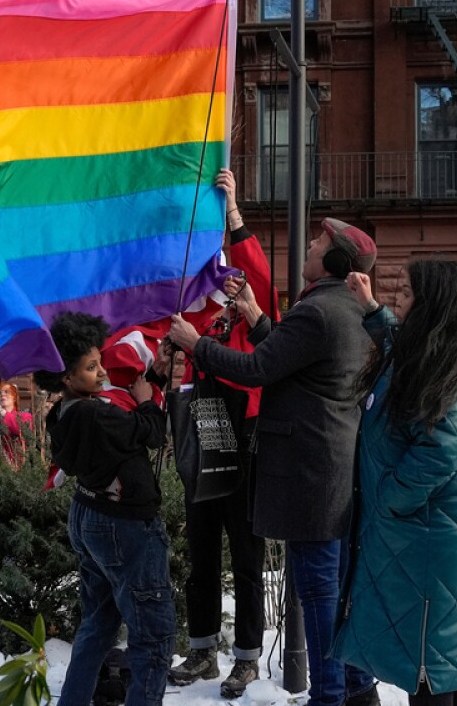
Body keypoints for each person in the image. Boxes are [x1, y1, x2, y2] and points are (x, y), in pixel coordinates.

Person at [169, 216, 379, 706]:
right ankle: (356, 690)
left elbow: (258, 368)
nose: (309, 244)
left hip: (311, 477)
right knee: (335, 592)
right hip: (333, 472)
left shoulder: (318, 311)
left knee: (319, 595)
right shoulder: (344, 306)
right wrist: (255, 316)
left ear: (333, 259)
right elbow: (293, 360)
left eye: (318, 241)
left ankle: (329, 696)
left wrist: (195, 344)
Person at [331, 257, 457, 706]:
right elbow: (400, 342)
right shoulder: (432, 350)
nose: (397, 300)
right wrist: (371, 309)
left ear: (432, 304)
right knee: (448, 659)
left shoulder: (446, 367)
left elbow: (438, 452)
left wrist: (389, 500)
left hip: (433, 532)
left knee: (429, 661)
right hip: (434, 527)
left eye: (406, 294)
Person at [165, 169, 276, 697]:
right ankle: (203, 649)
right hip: (205, 431)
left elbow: (256, 269)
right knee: (202, 551)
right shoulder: (204, 319)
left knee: (247, 556)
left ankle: (247, 658)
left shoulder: (256, 315)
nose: (229, 282)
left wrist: (232, 209)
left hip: (246, 436)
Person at [34, 312, 174, 706]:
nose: (102, 374)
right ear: (67, 377)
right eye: (92, 367)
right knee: (154, 635)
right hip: (124, 527)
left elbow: (125, 425)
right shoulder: (95, 413)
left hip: (91, 516)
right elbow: (148, 432)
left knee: (98, 624)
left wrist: (155, 378)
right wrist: (147, 398)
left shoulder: (67, 410)